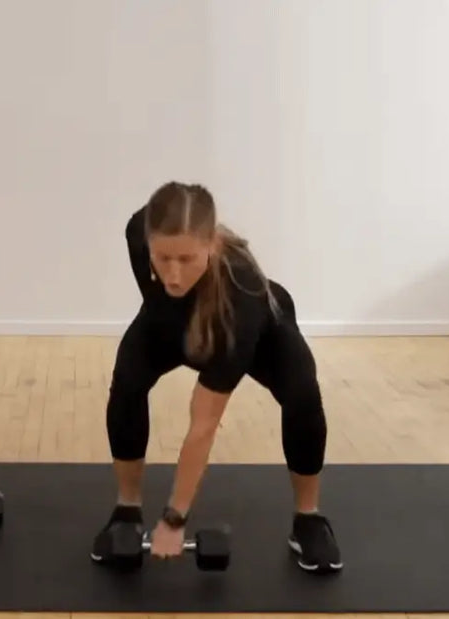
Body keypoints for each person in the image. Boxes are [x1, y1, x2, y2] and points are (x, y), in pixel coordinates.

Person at [90, 181, 342, 573]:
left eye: (187, 258)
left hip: (253, 332)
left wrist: (175, 518)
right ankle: (127, 509)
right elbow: (163, 277)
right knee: (127, 382)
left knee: (302, 393)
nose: (173, 274)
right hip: (168, 324)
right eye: (163, 257)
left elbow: (203, 425)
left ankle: (308, 518)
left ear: (213, 244)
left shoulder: (241, 293)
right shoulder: (137, 233)